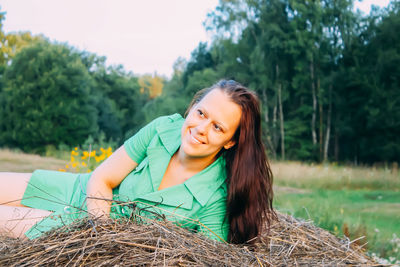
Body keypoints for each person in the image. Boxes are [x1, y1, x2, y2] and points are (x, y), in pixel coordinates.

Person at [0, 79, 275, 244]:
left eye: (218, 127)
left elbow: (204, 256)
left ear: (230, 141)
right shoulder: (163, 128)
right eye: (201, 113)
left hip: (77, 229)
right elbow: (102, 178)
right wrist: (100, 232)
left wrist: (95, 241)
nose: (201, 128)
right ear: (192, 107)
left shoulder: (216, 196)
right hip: (81, 192)